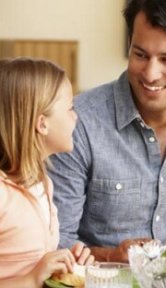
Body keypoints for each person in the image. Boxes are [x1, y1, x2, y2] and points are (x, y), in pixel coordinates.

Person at [48, 0, 166, 263]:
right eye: (140, 55)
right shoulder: (78, 123)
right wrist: (110, 256)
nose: (150, 74)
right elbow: (55, 237)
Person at [0, 58, 94, 287]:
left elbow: (35, 259)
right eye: (70, 108)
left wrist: (66, 259)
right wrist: (32, 279)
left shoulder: (43, 184)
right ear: (42, 124)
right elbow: (31, 274)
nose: (75, 116)